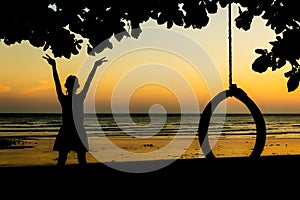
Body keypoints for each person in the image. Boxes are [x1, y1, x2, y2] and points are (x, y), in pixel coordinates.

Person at [43, 54, 108, 166]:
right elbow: (87, 82)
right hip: (73, 130)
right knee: (78, 160)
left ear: (67, 86)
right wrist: (95, 67)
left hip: (69, 130)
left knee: (64, 160)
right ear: (76, 86)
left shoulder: (65, 98)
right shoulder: (76, 97)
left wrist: (54, 66)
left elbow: (57, 83)